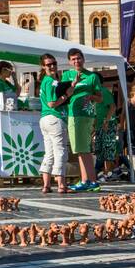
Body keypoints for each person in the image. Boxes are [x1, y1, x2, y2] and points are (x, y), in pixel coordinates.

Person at [61, 48, 100, 191]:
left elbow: (100, 97)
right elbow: (64, 95)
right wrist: (74, 83)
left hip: (86, 115)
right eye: (73, 59)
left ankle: (88, 180)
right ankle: (89, 181)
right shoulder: (66, 75)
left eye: (79, 58)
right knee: (80, 149)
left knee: (83, 148)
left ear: (83, 59)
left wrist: (91, 97)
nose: (76, 61)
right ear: (69, 62)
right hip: (73, 114)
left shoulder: (92, 76)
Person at [37, 54, 69, 194]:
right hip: (55, 118)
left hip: (44, 119)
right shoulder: (50, 81)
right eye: (48, 64)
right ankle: (61, 185)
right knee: (60, 151)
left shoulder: (46, 80)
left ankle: (46, 185)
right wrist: (67, 95)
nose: (52, 66)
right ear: (43, 67)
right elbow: (52, 103)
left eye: (54, 63)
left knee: (49, 152)